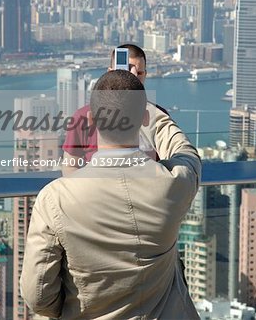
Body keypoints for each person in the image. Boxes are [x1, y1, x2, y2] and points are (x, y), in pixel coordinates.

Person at [20, 70, 201, 319]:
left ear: (91, 120)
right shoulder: (174, 183)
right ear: (144, 119)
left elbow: (37, 296)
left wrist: (73, 308)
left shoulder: (55, 199)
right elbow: (185, 152)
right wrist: (155, 118)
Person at [62, 44, 191, 171]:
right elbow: (70, 164)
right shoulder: (82, 116)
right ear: (110, 72)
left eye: (139, 73)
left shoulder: (157, 115)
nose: (132, 78)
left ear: (145, 75)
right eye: (126, 72)